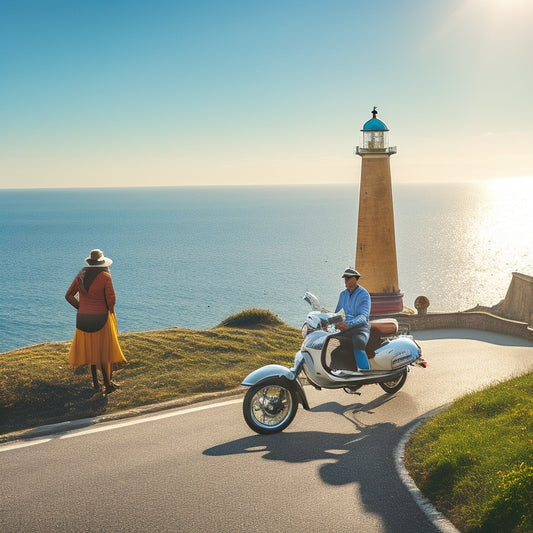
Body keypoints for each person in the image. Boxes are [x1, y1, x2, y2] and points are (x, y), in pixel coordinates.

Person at [65, 249, 126, 393]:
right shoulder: (105, 277)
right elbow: (111, 301)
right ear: (102, 262)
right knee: (104, 352)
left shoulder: (81, 275)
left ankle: (96, 384)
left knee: (91, 351)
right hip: (101, 318)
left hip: (83, 319)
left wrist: (82, 307)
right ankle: (108, 385)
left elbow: (68, 295)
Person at [335, 267, 371, 370]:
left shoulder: (364, 294)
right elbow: (337, 313)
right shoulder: (343, 295)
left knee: (358, 342)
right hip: (345, 328)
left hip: (360, 328)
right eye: (345, 279)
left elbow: (363, 317)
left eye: (348, 278)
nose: (345, 281)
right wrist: (329, 322)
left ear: (355, 279)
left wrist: (348, 324)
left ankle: (366, 373)